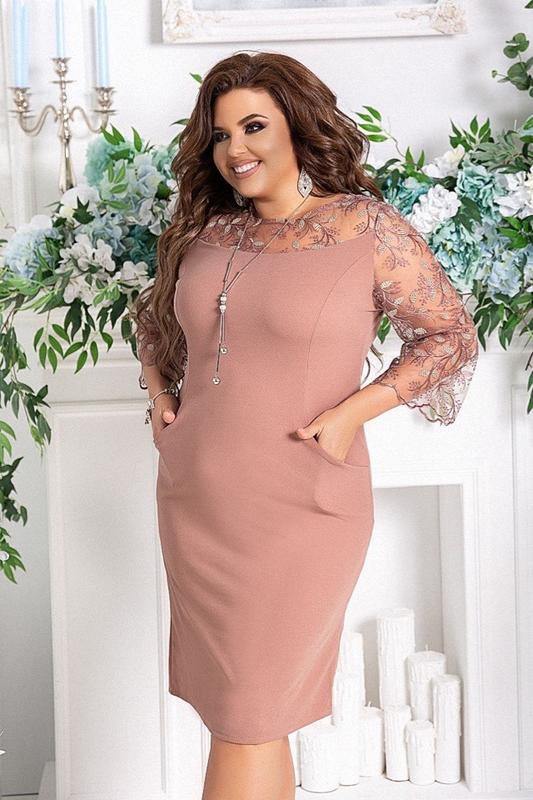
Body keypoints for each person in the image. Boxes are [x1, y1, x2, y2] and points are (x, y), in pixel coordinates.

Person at [132, 50, 478, 800]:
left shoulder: (364, 228)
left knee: (249, 715)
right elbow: (154, 323)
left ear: (297, 125)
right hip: (197, 502)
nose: (235, 149)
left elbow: (449, 336)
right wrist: (158, 391)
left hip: (302, 505)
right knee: (245, 716)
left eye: (253, 126)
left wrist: (353, 412)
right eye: (220, 135)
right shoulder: (206, 232)